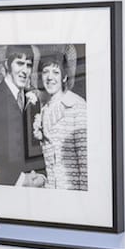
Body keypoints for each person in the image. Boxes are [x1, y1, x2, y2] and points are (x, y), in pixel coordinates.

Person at [0, 45, 46, 187]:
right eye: (19, 63)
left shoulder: (33, 102)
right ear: (6, 65)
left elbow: (36, 148)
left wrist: (41, 175)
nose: (24, 70)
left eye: (28, 65)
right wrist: (21, 180)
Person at [31, 49, 88, 191]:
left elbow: (85, 161)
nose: (50, 77)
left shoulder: (77, 105)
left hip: (73, 193)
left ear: (64, 77)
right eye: (45, 72)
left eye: (56, 72)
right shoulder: (45, 109)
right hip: (53, 193)